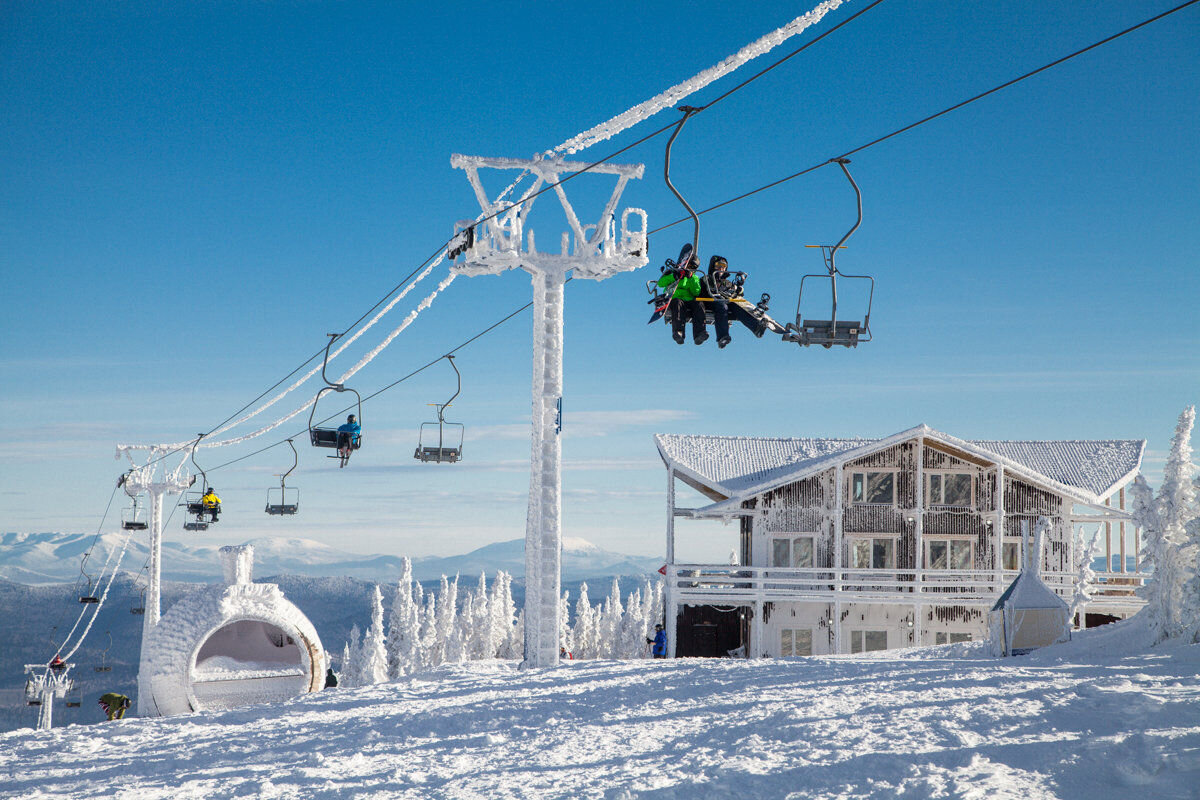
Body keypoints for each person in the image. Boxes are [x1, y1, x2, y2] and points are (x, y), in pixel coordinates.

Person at [656, 245, 707, 345]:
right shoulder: (672, 272)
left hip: (689, 299)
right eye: (689, 266)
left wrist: (691, 278)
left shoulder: (694, 278)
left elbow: (696, 292)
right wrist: (674, 277)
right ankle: (678, 332)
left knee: (699, 304)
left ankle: (699, 333)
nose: (690, 269)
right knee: (677, 304)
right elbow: (660, 283)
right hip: (675, 297)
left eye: (693, 268)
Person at [705, 255, 735, 349]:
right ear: (714, 266)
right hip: (711, 302)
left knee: (738, 306)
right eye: (718, 265)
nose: (721, 268)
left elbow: (736, 294)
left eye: (723, 266)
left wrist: (738, 289)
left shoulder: (727, 283)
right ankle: (722, 336)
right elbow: (702, 291)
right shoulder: (707, 279)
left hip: (725, 302)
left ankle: (756, 326)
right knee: (722, 307)